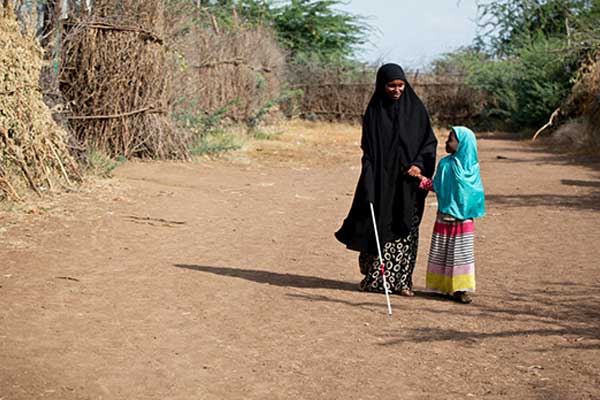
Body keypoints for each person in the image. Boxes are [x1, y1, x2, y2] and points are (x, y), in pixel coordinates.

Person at [334, 63, 437, 297]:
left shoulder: (416, 110)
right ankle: (377, 280)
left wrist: (418, 165)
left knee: (406, 229)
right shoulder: (374, 113)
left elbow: (429, 143)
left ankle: (402, 282)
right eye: (391, 85)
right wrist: (369, 182)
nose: (397, 90)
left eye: (400, 85)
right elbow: (368, 152)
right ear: (382, 85)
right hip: (382, 182)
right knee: (380, 226)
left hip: (408, 185)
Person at [418, 126, 485, 304]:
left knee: (461, 254)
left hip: (463, 220)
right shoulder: (445, 164)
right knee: (443, 251)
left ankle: (461, 289)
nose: (447, 142)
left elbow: (473, 194)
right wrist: (421, 180)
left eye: (451, 139)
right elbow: (438, 186)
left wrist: (423, 181)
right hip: (445, 216)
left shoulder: (472, 168)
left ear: (463, 144)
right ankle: (443, 286)